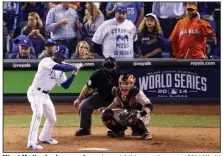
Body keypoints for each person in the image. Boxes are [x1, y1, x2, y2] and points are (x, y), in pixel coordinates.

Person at [27, 45, 83, 150]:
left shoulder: (62, 67)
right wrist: (74, 67)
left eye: (62, 57)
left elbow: (65, 86)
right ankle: (31, 143)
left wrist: (74, 74)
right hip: (35, 92)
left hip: (45, 95)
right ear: (55, 54)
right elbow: (60, 67)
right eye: (58, 55)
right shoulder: (46, 61)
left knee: (52, 118)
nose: (60, 58)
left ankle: (44, 137)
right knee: (38, 114)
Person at [74, 57, 120, 136]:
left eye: (111, 67)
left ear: (115, 67)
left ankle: (123, 130)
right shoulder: (97, 74)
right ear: (103, 66)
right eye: (107, 67)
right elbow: (88, 86)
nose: (109, 69)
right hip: (101, 96)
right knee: (84, 105)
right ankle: (85, 129)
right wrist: (79, 99)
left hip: (116, 99)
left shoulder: (120, 75)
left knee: (130, 106)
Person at [100, 73, 153, 140]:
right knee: (105, 114)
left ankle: (145, 132)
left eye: (127, 83)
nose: (124, 85)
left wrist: (140, 114)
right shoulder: (118, 91)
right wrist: (106, 109)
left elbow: (149, 105)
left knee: (127, 114)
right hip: (127, 113)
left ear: (132, 83)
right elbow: (115, 103)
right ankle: (119, 131)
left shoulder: (137, 93)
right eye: (123, 83)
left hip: (142, 115)